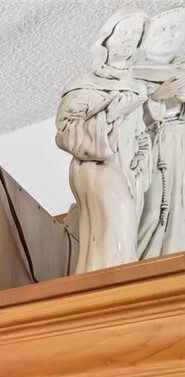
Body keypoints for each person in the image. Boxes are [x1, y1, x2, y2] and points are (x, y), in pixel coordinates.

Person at [56, 10, 153, 273]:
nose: (128, 40)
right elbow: (66, 132)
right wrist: (109, 115)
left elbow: (142, 133)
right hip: (95, 165)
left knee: (128, 223)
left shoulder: (137, 87)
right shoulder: (83, 86)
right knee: (116, 213)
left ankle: (123, 283)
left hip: (128, 170)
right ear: (106, 40)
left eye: (135, 34)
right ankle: (108, 284)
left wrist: (141, 158)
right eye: (122, 33)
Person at [137, 9, 185, 258]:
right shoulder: (130, 77)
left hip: (179, 148)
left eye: (174, 29)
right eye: (162, 29)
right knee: (152, 209)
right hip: (151, 152)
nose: (169, 35)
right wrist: (158, 97)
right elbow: (123, 126)